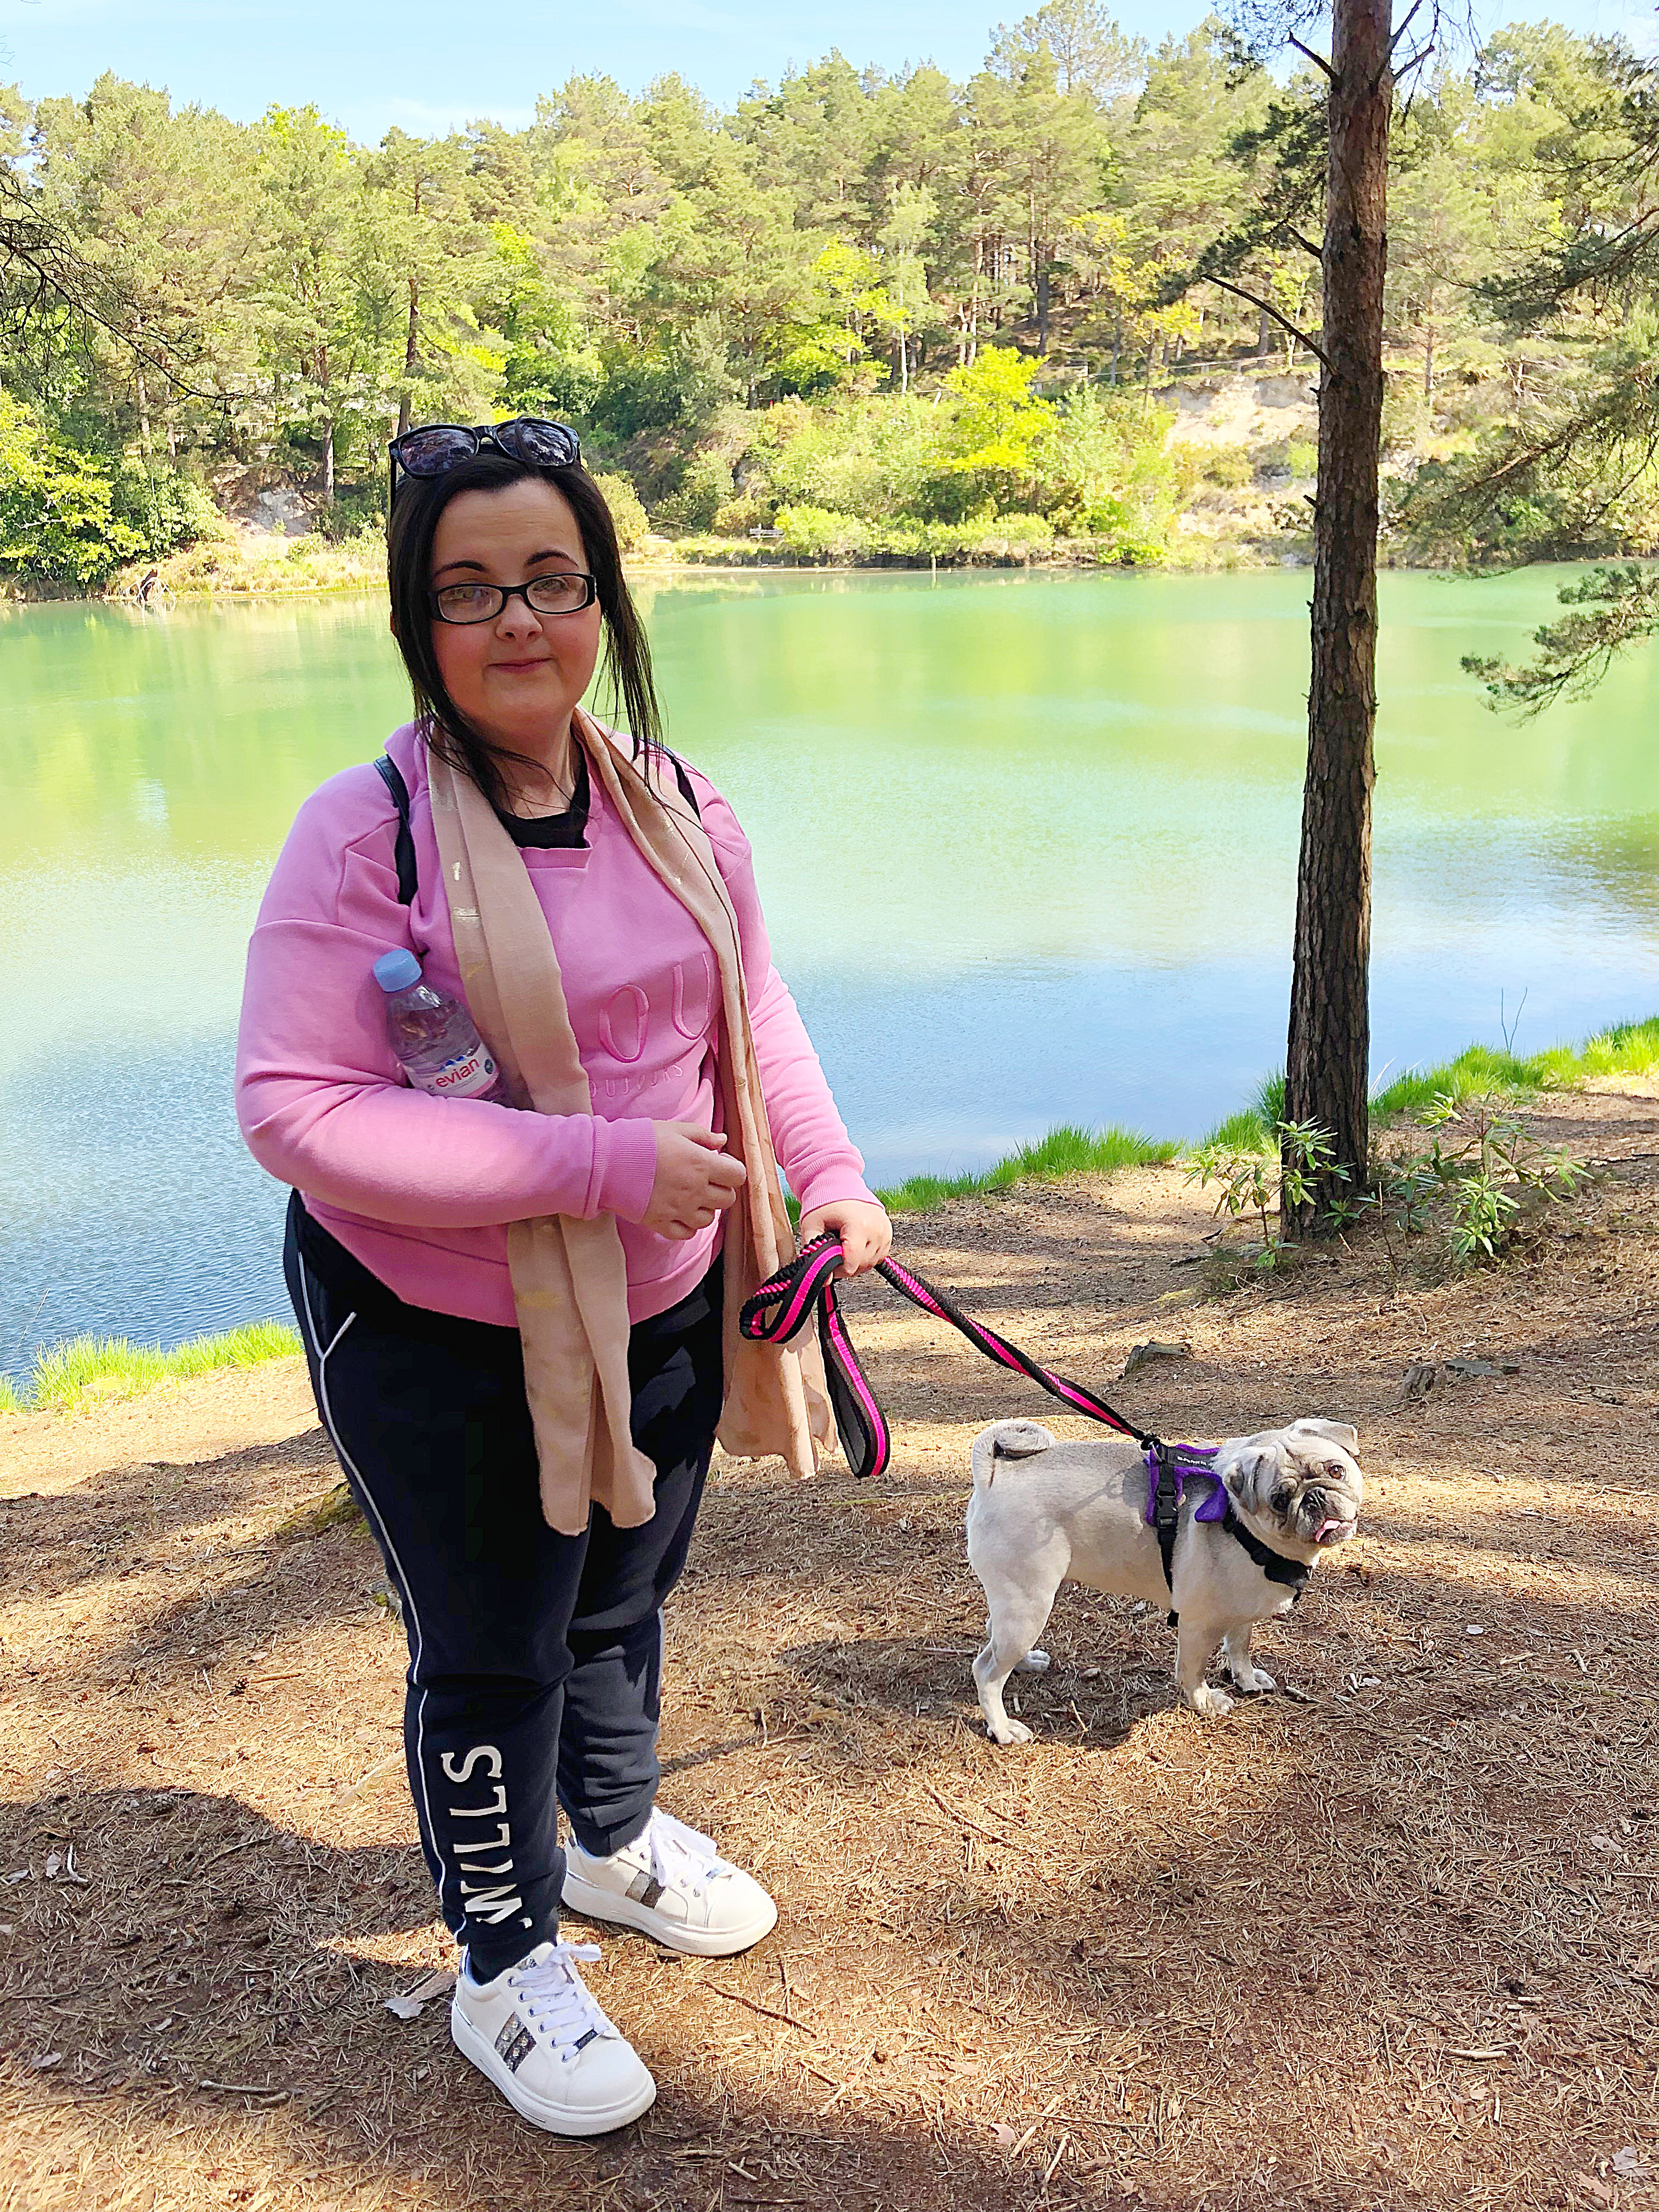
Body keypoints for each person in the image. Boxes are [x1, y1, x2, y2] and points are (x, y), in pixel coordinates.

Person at [234, 416, 890, 2137]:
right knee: (494, 1642)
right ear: (417, 622)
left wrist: (825, 1174)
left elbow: (750, 1010)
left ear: (603, 600)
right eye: (469, 590)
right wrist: (598, 1165)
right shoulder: (364, 835)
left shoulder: (679, 804)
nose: (517, 618)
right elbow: (296, 1109)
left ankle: (607, 1837)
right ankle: (503, 1952)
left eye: (551, 578)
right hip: (436, 1325)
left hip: (670, 1294)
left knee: (621, 1592)